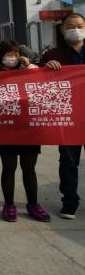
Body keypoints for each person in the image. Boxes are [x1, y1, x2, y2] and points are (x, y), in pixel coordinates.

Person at [0, 40, 48, 222]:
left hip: (28, 127)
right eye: (9, 54)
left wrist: (28, 66)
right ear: (0, 56)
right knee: (9, 168)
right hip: (5, 129)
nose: (12, 58)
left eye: (15, 54)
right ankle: (9, 205)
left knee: (29, 168)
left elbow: (41, 84)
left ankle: (33, 204)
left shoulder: (27, 70)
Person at [40, 12, 85, 219]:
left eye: (80, 26)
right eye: (71, 26)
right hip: (68, 116)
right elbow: (35, 81)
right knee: (68, 161)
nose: (76, 30)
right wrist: (46, 69)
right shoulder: (52, 55)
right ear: (62, 29)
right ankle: (69, 201)